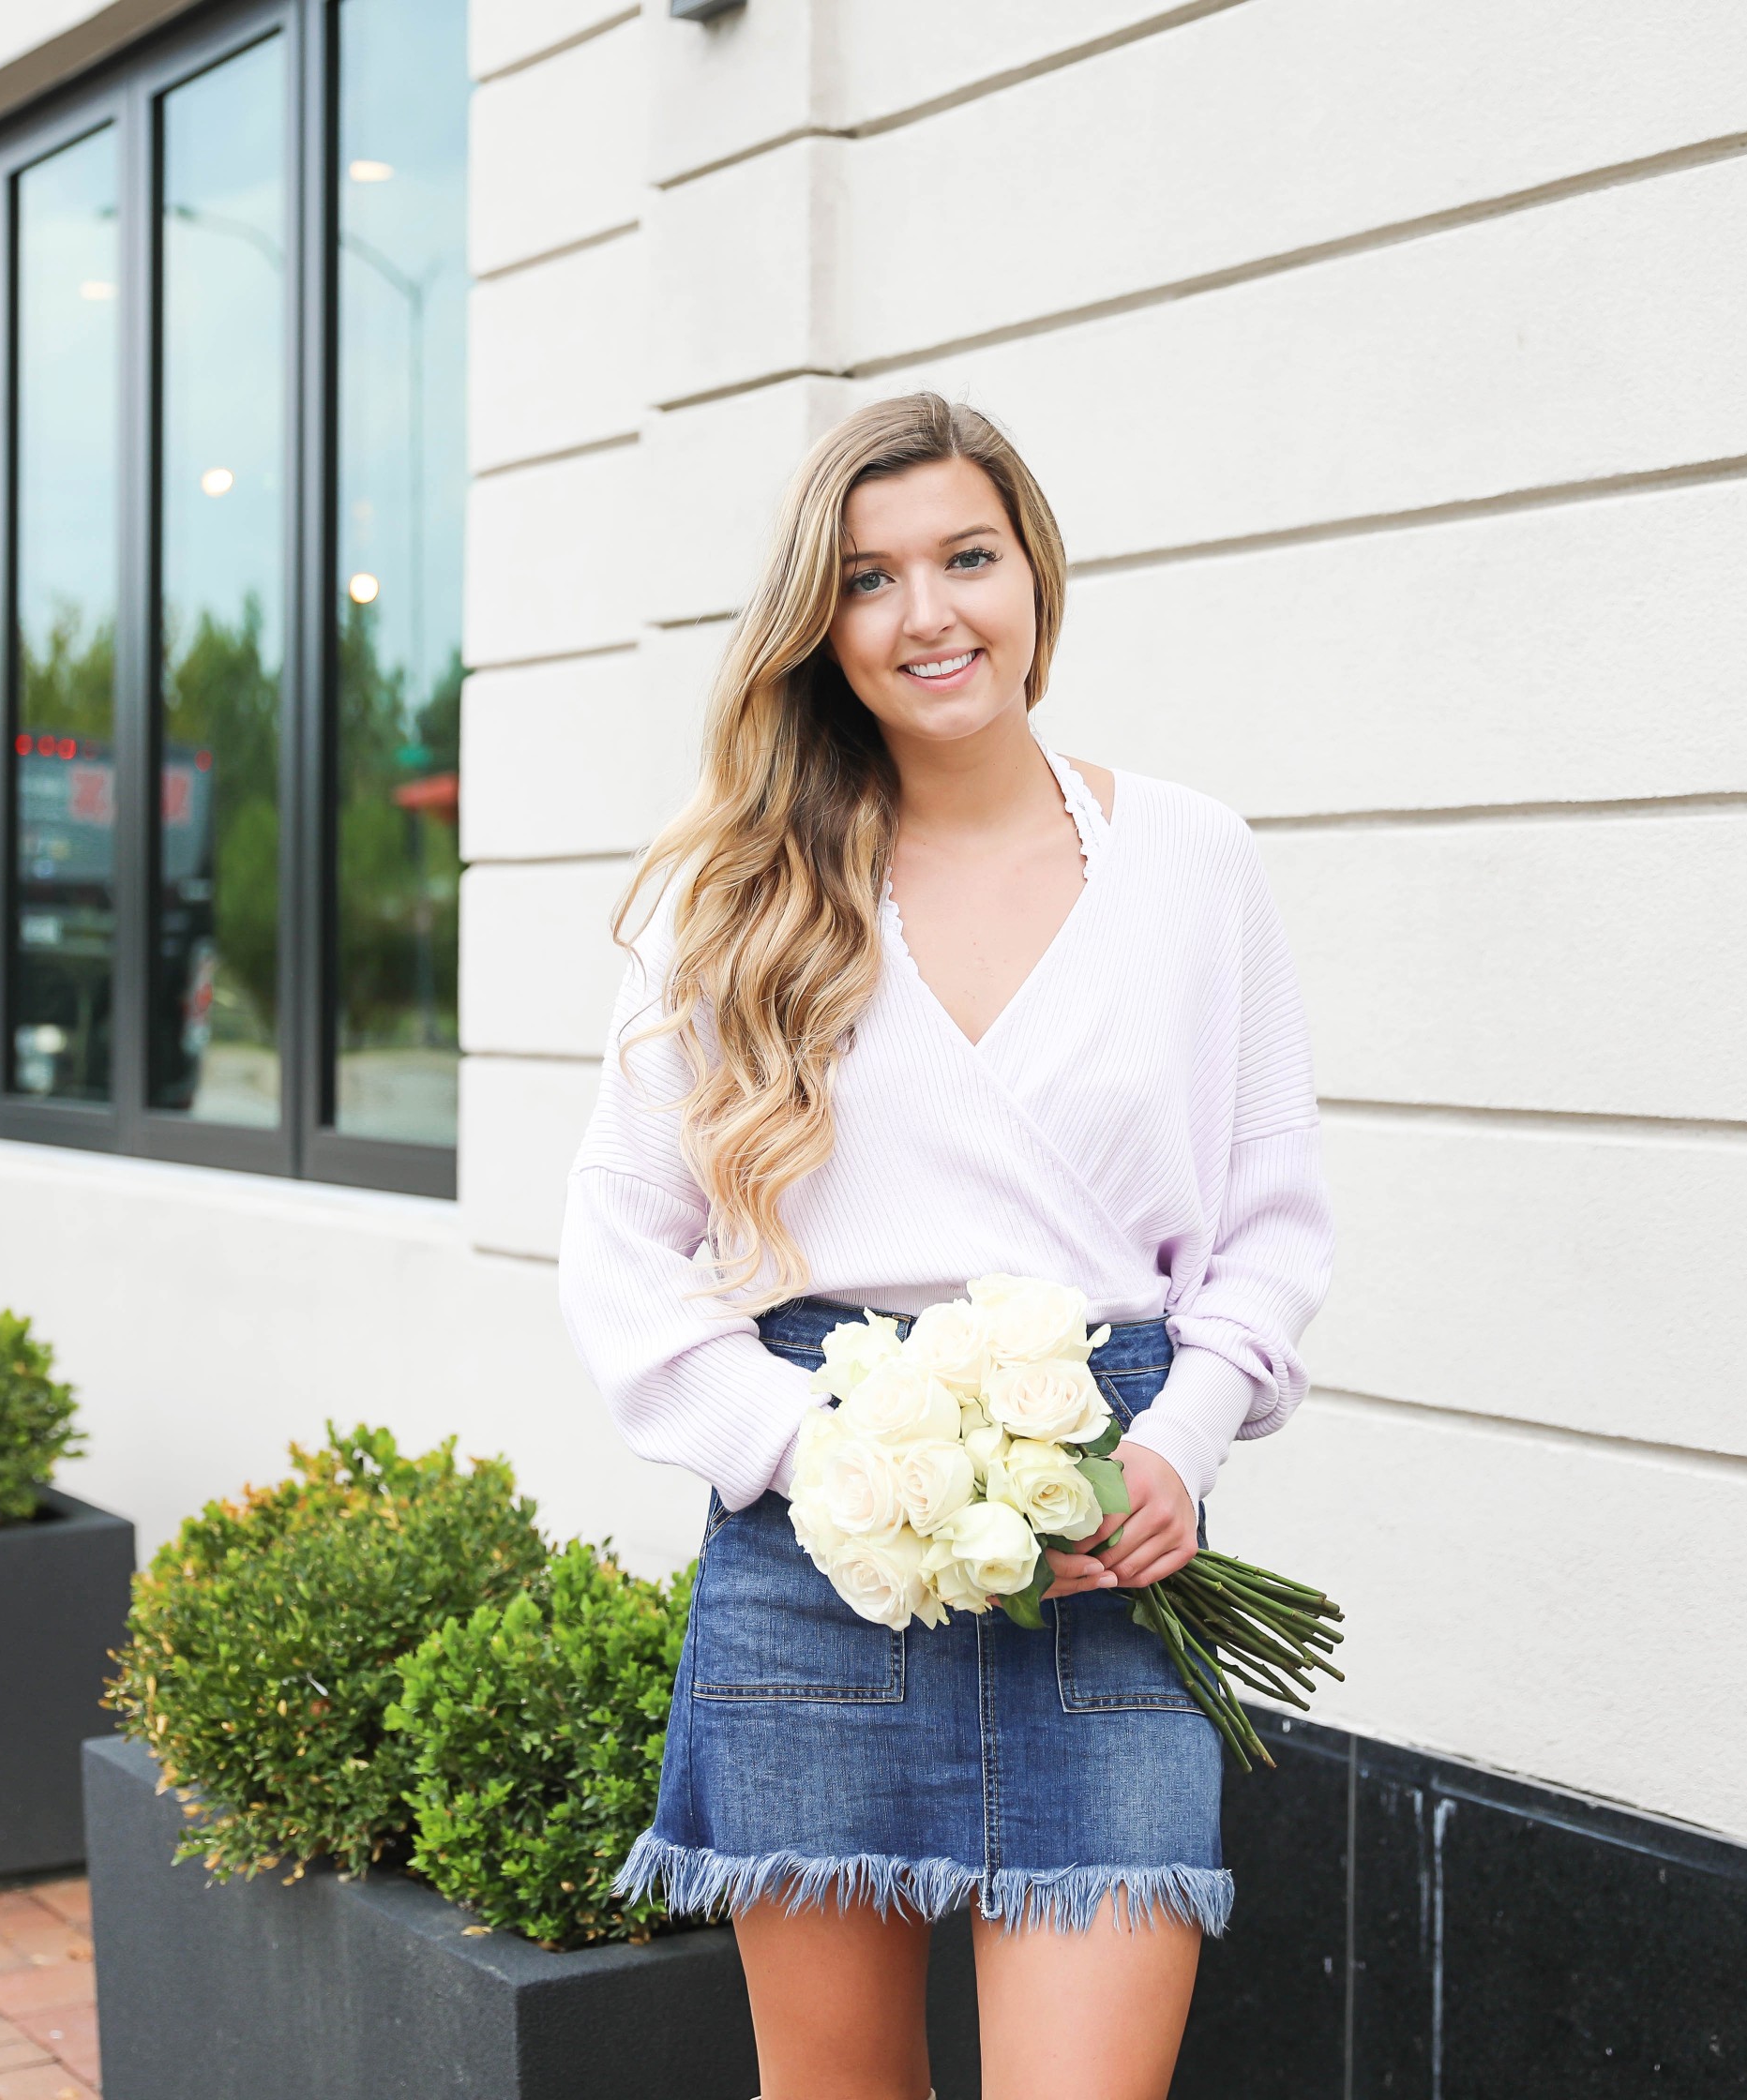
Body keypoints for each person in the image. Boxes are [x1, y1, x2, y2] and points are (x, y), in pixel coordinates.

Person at [557, 392, 1332, 2100]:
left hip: (1111, 1550)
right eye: (869, 578)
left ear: (1034, 572)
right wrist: (809, 1456)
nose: (929, 614)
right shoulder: (735, 899)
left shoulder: (1193, 863)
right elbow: (622, 1248)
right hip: (809, 1552)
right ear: (819, 628)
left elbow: (1271, 1231)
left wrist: (1182, 1444)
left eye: (966, 557)